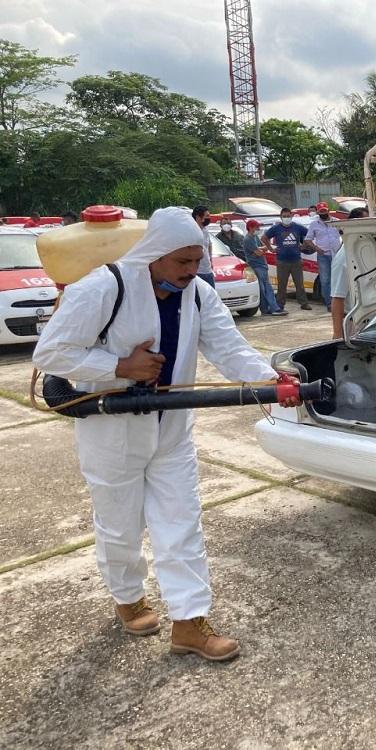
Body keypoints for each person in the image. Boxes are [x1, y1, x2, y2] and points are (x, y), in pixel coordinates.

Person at [32, 207, 302, 661]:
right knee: (119, 524)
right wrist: (119, 367)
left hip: (172, 431)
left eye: (197, 261)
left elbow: (227, 346)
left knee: (182, 523)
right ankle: (128, 597)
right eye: (182, 262)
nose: (191, 271)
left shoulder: (196, 293)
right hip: (111, 432)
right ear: (154, 254)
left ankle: (189, 622)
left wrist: (271, 385)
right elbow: (51, 352)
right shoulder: (104, 287)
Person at [263, 207, 312, 311]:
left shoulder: (298, 227)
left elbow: (310, 234)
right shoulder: (276, 228)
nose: (286, 218)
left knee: (299, 284)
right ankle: (280, 305)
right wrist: (271, 249)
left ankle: (304, 303)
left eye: (288, 216)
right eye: (284, 216)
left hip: (296, 260)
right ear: (281, 217)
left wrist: (304, 246)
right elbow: (264, 238)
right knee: (282, 285)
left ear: (291, 216)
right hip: (282, 261)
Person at [331, 206, 368, 338]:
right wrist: (337, 334)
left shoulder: (367, 252)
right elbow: (337, 298)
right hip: (353, 323)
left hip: (370, 322)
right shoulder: (344, 257)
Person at [303, 202, 342, 311]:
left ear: (328, 210)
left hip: (337, 254)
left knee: (338, 278)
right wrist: (316, 248)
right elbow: (307, 239)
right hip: (323, 255)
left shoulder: (337, 222)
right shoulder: (314, 224)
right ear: (318, 212)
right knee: (325, 280)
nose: (323, 213)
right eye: (321, 212)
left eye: (324, 211)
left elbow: (345, 235)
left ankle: (340, 301)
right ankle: (329, 303)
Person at [242, 219, 285, 317]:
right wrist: (260, 250)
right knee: (266, 289)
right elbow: (259, 252)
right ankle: (274, 308)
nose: (258, 228)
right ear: (251, 227)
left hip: (261, 265)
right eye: (257, 226)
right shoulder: (248, 239)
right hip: (257, 266)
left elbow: (263, 248)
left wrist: (260, 250)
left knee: (264, 289)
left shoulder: (255, 237)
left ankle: (266, 309)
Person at [191, 206, 214, 287]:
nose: (209, 218)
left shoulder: (205, 230)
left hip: (208, 271)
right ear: (198, 217)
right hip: (197, 272)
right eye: (207, 216)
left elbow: (209, 245)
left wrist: (211, 260)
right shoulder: (192, 232)